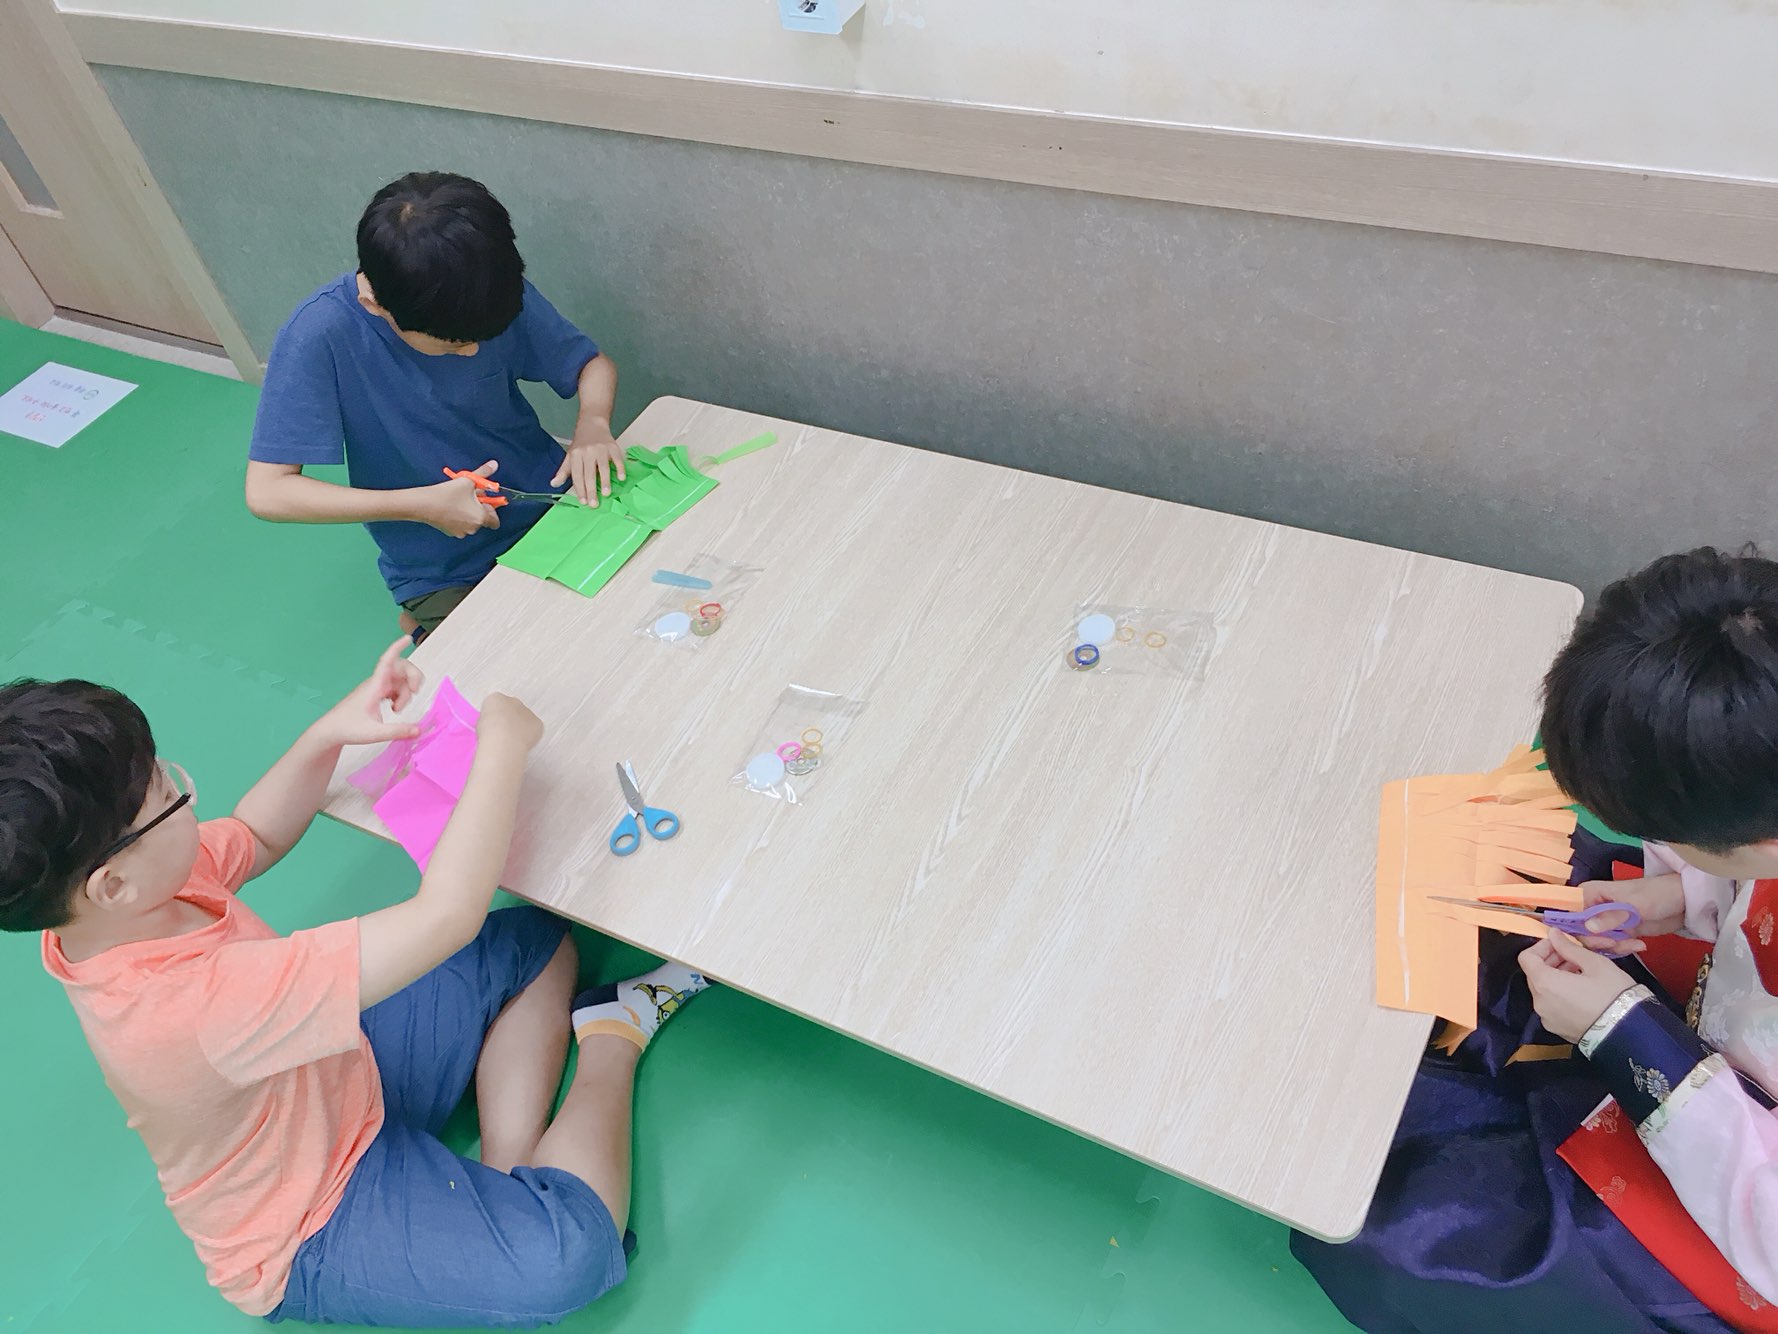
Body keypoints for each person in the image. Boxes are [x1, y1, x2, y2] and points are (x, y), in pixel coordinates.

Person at [0, 642, 707, 1326]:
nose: (185, 798)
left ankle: (506, 1168)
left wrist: (328, 735)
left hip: (338, 1079)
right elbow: (445, 916)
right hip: (313, 1221)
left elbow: (255, 832)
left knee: (531, 943)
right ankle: (614, 1035)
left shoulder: (125, 907)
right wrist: (502, 749)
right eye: (167, 794)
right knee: (569, 1258)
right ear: (113, 883)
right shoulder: (191, 1004)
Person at [1295, 546, 1778, 1333]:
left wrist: (1621, 1033)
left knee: (1404, 1230)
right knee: (1530, 889)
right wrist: (1678, 894)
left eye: (1676, 837)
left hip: (1744, 1192)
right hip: (1725, 1004)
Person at [244, 171, 623, 641]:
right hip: (445, 567)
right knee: (515, 660)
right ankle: (427, 617)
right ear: (375, 304)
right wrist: (420, 505)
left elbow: (590, 365)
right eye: (452, 344)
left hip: (553, 506)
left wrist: (593, 423)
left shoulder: (484, 288)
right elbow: (267, 492)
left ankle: (425, 626)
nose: (472, 352)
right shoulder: (319, 335)